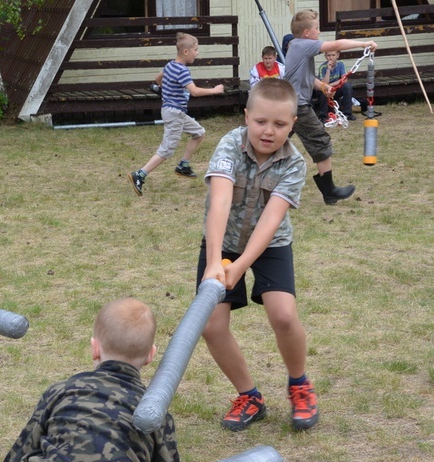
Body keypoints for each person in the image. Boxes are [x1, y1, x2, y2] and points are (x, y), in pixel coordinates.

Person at [197, 78, 317, 433]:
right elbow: (219, 201)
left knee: (283, 315)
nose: (268, 131)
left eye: (280, 124)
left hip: (271, 243)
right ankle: (249, 396)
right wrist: (215, 261)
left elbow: (271, 219)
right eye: (260, 121)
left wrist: (242, 266)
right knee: (211, 325)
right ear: (246, 116)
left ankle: (299, 385)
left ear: (292, 124)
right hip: (223, 240)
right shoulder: (229, 145)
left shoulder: (294, 165)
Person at [0, 298, 180, 462]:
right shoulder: (154, 411)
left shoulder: (62, 391)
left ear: (95, 348)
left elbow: (19, 456)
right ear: (151, 355)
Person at [283, 9, 377, 205]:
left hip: (286, 104)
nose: (319, 32)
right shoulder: (303, 44)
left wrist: (323, 86)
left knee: (274, 143)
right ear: (307, 33)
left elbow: (307, 78)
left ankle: (254, 180)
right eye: (316, 28)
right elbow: (336, 45)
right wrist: (364, 43)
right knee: (321, 141)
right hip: (297, 107)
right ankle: (330, 191)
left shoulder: (296, 45)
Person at [128, 32, 224, 196]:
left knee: (199, 133)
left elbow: (158, 78)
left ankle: (183, 165)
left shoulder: (170, 65)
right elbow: (193, 91)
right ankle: (140, 174)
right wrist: (214, 91)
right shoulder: (182, 71)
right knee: (166, 150)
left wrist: (163, 90)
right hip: (175, 113)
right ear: (186, 52)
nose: (198, 53)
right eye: (196, 49)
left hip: (175, 112)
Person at [316, 50, 355, 121]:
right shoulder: (322, 67)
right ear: (325, 56)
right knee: (322, 90)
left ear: (337, 55)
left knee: (347, 86)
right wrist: (328, 69)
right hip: (326, 91)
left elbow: (344, 79)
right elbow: (324, 83)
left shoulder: (341, 64)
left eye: (333, 55)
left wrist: (331, 85)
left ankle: (347, 113)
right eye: (328, 55)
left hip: (336, 89)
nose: (331, 58)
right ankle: (323, 116)